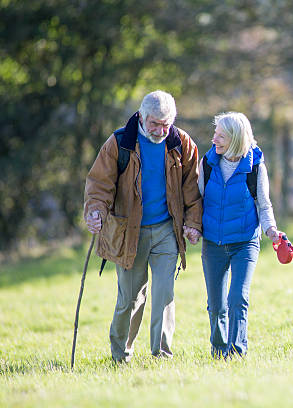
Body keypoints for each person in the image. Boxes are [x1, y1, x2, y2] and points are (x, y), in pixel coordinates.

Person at [84, 90, 202, 362]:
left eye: (166, 124)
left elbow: (192, 188)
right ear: (141, 116)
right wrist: (95, 212)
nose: (161, 130)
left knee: (164, 295)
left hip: (166, 231)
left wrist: (193, 224)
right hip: (130, 232)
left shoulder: (181, 142)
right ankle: (120, 354)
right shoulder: (119, 142)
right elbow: (99, 185)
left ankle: (161, 353)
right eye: (155, 123)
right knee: (130, 300)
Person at [198, 111, 284, 359]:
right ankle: (219, 349)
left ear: (235, 138)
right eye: (215, 134)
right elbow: (196, 200)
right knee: (216, 306)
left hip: (245, 242)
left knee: (238, 298)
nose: (214, 140)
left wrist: (271, 230)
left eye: (220, 136)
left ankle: (236, 352)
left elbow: (264, 204)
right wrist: (191, 227)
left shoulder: (255, 167)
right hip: (213, 243)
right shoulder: (207, 163)